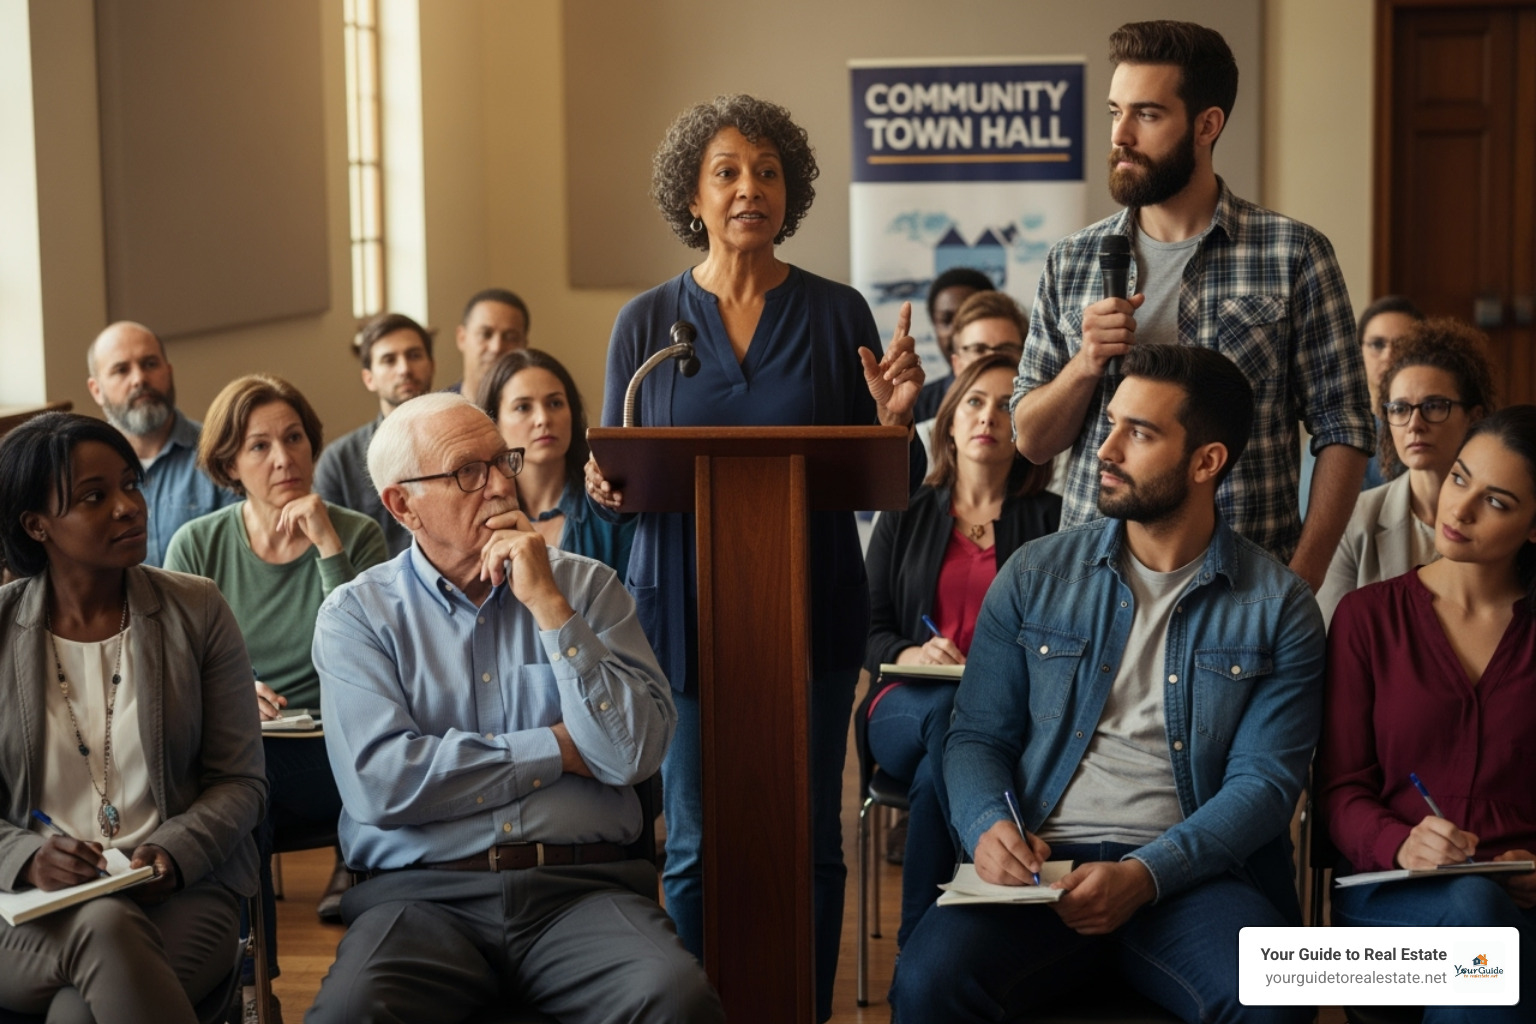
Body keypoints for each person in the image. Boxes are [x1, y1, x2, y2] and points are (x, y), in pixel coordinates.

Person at [585, 93, 923, 1021]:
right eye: (728, 171)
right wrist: (601, 485)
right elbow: (616, 470)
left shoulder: (835, 311)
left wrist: (897, 427)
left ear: (792, 192)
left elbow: (888, 478)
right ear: (692, 197)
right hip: (680, 618)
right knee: (693, 843)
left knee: (809, 838)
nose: (750, 188)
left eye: (768, 172)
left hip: (807, 610)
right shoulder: (645, 322)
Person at [893, 345, 1321, 1023]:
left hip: (1192, 878)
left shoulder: (1278, 605)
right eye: (1111, 424)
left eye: (1139, 433)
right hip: (1041, 872)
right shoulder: (1035, 575)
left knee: (1273, 999)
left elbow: (1264, 786)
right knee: (927, 982)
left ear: (1207, 462)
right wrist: (986, 825)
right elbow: (976, 733)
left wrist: (1147, 876)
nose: (1106, 448)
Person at [306, 393, 723, 1024]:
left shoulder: (586, 587)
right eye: (468, 472)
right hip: (417, 901)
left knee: (675, 998)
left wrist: (552, 610)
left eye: (504, 461)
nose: (502, 484)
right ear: (402, 505)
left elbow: (633, 756)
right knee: (350, 1012)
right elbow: (382, 785)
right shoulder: (358, 615)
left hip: (582, 891)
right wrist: (557, 747)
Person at [1012, 20, 1373, 593]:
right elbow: (1030, 439)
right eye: (1114, 112)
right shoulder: (1072, 260)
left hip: (1244, 583)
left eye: (1147, 115)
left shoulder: (1294, 253)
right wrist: (1084, 364)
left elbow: (1344, 427)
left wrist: (1300, 582)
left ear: (1207, 125)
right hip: (1094, 586)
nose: (1120, 136)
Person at [0, 412, 265, 1023]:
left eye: (130, 485)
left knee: (78, 1011)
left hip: (183, 894)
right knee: (103, 928)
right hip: (23, 908)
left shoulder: (196, 609)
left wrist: (172, 851)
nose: (127, 507)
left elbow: (242, 781)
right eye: (95, 497)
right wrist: (24, 856)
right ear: (36, 525)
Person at [163, 374, 386, 1002]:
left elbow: (370, 656)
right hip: (247, 752)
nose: (284, 459)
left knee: (241, 794)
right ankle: (253, 984)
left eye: (294, 439)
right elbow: (176, 673)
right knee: (239, 796)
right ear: (229, 462)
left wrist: (326, 548)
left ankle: (275, 988)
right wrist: (234, 692)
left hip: (339, 752)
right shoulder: (198, 545)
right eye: (259, 446)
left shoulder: (356, 535)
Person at [1319, 406, 1536, 1022]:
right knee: (1478, 918)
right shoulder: (1367, 619)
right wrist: (1401, 844)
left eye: (1496, 501)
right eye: (1460, 477)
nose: (1459, 509)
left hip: (1521, 903)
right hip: (1385, 906)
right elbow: (1339, 790)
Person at [864, 354, 1059, 947]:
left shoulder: (1050, 522)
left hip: (1003, 719)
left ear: (1026, 429)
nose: (989, 416)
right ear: (947, 423)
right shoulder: (906, 514)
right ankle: (990, 901)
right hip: (903, 703)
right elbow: (865, 630)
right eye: (975, 402)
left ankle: (921, 946)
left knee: (932, 778)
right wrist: (912, 651)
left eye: (1006, 405)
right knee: (943, 720)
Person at [1318, 318, 1494, 624]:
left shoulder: (1501, 515)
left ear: (1474, 417)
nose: (1414, 424)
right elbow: (1331, 640)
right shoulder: (1354, 518)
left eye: (1435, 406)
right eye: (1399, 409)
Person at [85, 321, 235, 567]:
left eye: (150, 364)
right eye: (121, 370)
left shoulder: (220, 452)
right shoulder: (83, 470)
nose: (139, 379)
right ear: (96, 390)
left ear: (169, 371)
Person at [476, 348, 635, 577]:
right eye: (523, 407)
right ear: (494, 422)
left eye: (555, 403)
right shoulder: (481, 514)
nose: (543, 419)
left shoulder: (611, 506)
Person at [315, 312, 436, 556]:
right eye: (389, 360)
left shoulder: (464, 442)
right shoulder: (339, 462)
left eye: (414, 355)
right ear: (369, 378)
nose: (404, 369)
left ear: (432, 365)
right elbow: (330, 552)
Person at [1299, 295, 1425, 512]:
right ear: (1358, 352)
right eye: (1377, 344)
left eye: (1404, 344)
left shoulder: (1441, 425)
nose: (1389, 355)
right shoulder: (1336, 432)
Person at [917, 292, 1027, 460]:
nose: (991, 361)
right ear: (956, 364)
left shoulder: (1050, 444)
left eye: (1005, 350)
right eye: (978, 350)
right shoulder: (921, 444)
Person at [912, 267, 996, 423]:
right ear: (934, 325)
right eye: (946, 320)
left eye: (969, 316)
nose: (957, 332)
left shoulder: (1025, 402)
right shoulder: (914, 406)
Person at [449, 287, 530, 398]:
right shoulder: (435, 411)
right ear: (462, 338)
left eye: (511, 337)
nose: (496, 347)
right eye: (485, 334)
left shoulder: (537, 413)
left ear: (524, 345)